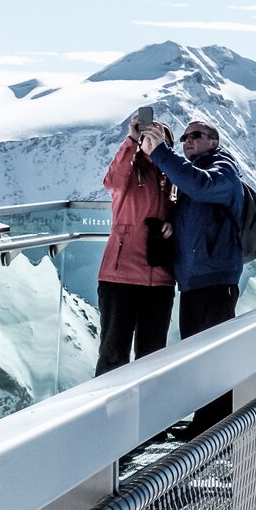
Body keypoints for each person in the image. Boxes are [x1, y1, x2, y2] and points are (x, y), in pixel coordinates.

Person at [140, 118, 246, 432]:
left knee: (213, 359)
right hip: (194, 281)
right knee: (198, 357)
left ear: (214, 141)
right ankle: (205, 425)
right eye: (184, 136)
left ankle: (219, 428)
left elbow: (201, 186)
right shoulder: (191, 176)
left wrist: (160, 152)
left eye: (196, 135)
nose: (187, 140)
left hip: (216, 279)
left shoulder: (223, 170)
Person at [95, 114, 175, 376]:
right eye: (147, 136)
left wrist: (172, 225)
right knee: (113, 354)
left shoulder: (174, 178)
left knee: (152, 357)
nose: (150, 141)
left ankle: (149, 416)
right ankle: (104, 416)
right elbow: (112, 182)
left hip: (160, 278)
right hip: (121, 276)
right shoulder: (130, 171)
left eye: (157, 137)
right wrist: (131, 139)